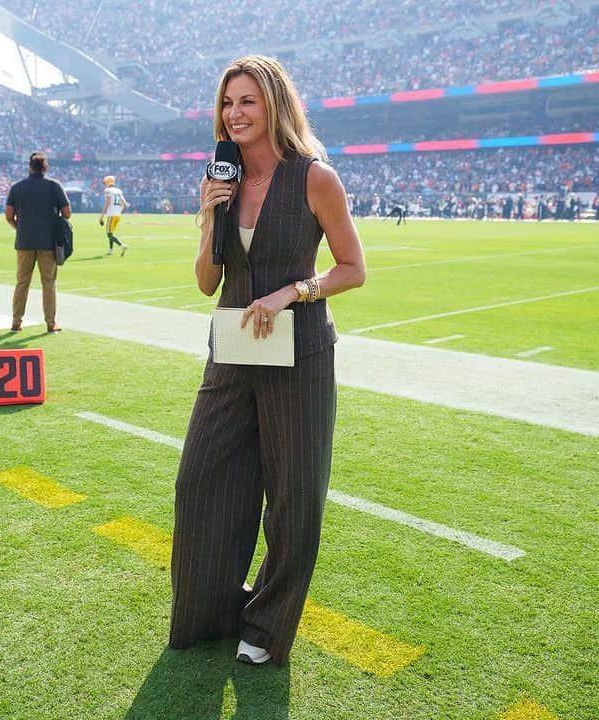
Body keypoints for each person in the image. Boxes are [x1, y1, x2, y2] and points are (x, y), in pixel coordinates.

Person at [169, 55, 366, 667]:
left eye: (248, 101)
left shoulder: (314, 177)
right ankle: (212, 613)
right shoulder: (221, 182)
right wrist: (208, 216)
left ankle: (267, 626)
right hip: (231, 353)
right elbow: (207, 283)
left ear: (275, 105)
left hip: (299, 353)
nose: (236, 114)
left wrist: (293, 292)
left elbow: (353, 269)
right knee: (199, 482)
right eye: (228, 103)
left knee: (292, 497)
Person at [4, 152, 71, 333]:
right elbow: (67, 213)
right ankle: (50, 323)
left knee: (22, 282)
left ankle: (16, 322)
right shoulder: (54, 186)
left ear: (29, 166)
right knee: (48, 283)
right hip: (48, 243)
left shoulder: (17, 187)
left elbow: (9, 215)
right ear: (45, 167)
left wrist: (20, 227)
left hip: (24, 241)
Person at [99, 175, 129, 256]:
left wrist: (102, 217)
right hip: (118, 215)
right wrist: (119, 211)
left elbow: (107, 203)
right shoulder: (118, 191)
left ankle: (122, 245)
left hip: (112, 215)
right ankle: (111, 251)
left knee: (109, 234)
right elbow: (125, 204)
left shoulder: (107, 190)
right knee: (111, 233)